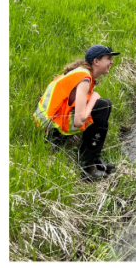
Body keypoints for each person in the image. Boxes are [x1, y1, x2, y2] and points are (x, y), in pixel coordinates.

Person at [34, 45, 120, 180]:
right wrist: (92, 99)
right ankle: (86, 168)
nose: (112, 62)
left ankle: (94, 158)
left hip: (52, 124)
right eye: (108, 58)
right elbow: (78, 121)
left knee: (104, 105)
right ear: (96, 61)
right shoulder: (84, 78)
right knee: (102, 106)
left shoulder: (83, 73)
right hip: (52, 131)